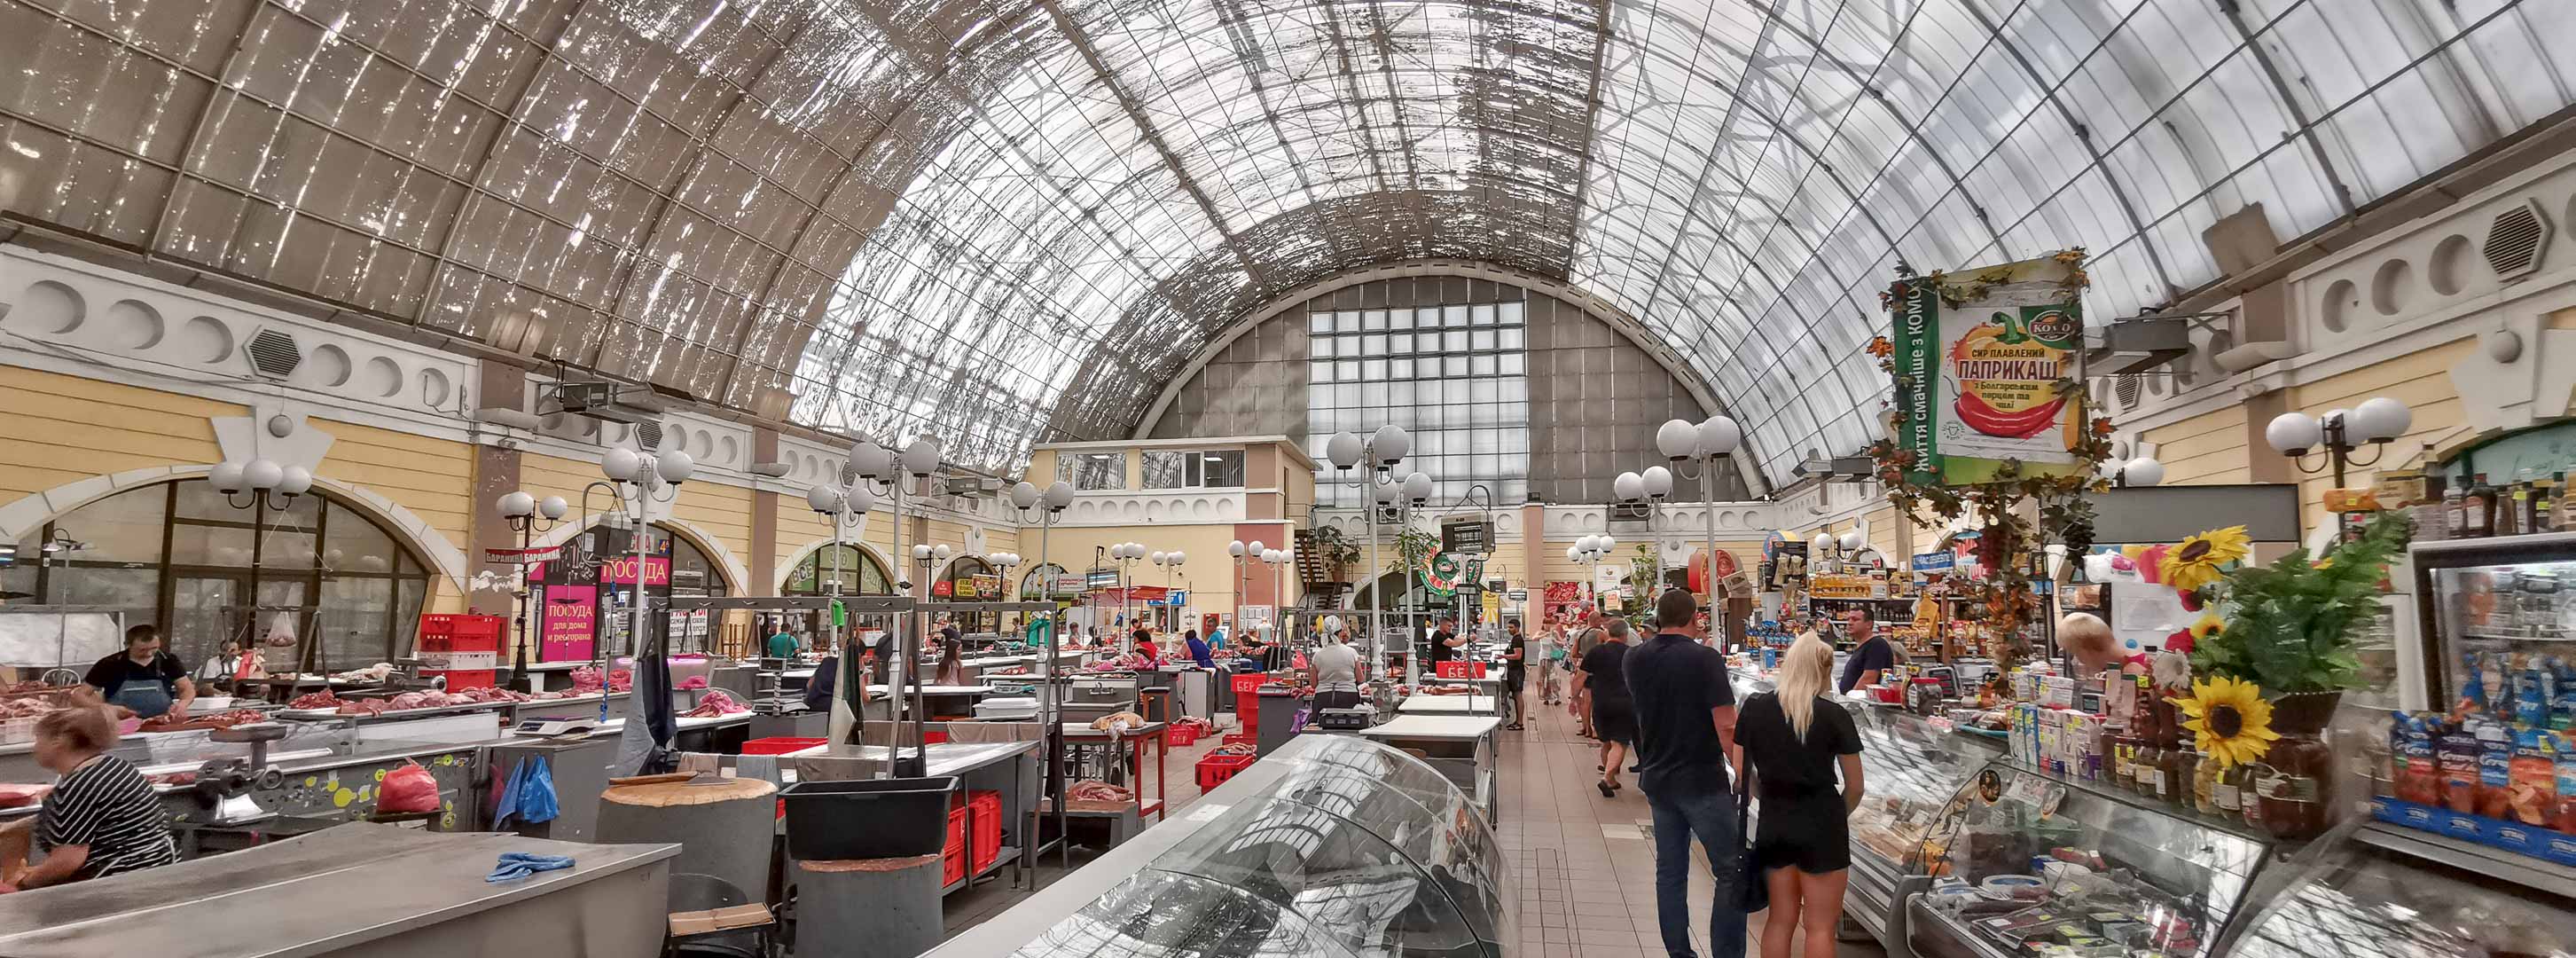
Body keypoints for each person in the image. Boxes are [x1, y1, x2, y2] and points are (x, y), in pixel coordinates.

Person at [1626, 589, 1748, 958]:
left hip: (1658, 777)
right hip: (1701, 779)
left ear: (1658, 619)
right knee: (1730, 869)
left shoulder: (1634, 658)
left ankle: (1679, 953)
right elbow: (1726, 726)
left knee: (1670, 872)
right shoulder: (1705, 659)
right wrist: (1743, 772)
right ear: (1695, 618)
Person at [1734, 634, 1865, 958]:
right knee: (1819, 927)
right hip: (1823, 826)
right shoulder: (1834, 715)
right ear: (1824, 671)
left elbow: (1741, 771)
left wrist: (1765, 796)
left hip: (1775, 822)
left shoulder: (1755, 708)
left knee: (1780, 920)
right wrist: (1836, 816)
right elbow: (1856, 786)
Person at [3, 706, 178, 890]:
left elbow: (67, 862)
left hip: (117, 884)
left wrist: (23, 884)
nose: (35, 748)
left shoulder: (77, 787)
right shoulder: (115, 766)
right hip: (157, 869)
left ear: (58, 740)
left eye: (39, 739)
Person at [1573, 618, 1637, 797]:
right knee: (1619, 743)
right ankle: (1607, 778)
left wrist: (1574, 698)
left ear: (1608, 633)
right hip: (1624, 703)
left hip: (1600, 703)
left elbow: (1580, 676)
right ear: (1625, 635)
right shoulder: (1631, 653)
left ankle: (1612, 778)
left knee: (1606, 742)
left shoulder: (1596, 651)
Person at [81, 625, 192, 719]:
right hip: (119, 725)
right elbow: (79, 695)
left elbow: (186, 689)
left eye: (154, 648)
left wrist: (183, 704)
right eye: (142, 650)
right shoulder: (110, 663)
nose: (149, 654)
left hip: (162, 722)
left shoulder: (168, 661)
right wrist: (105, 709)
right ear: (127, 645)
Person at [2057, 612, 2146, 677]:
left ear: (2088, 650)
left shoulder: (2136, 670)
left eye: (2077, 654)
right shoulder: (2111, 668)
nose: (2077, 660)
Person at [1834, 607, 1894, 695]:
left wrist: (1850, 700)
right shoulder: (1862, 646)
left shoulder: (1876, 645)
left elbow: (1869, 679)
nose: (1850, 623)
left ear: (1869, 624)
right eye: (1848, 619)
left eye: (1855, 619)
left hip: (1860, 702)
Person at [1307, 631, 1362, 710]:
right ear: (1339, 634)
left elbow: (1313, 684)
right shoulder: (1352, 652)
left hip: (1323, 697)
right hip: (1348, 696)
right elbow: (1360, 679)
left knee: (1319, 717)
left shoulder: (1317, 655)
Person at [192, 638, 262, 693]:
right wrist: (222, 694)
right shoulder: (211, 663)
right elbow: (207, 687)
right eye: (224, 650)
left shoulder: (241, 662)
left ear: (239, 651)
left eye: (232, 650)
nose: (227, 653)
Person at [1500, 619, 1529, 730]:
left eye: (1511, 627)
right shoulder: (1515, 639)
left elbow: (1518, 656)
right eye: (1508, 627)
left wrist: (1503, 656)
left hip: (1517, 672)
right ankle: (1517, 721)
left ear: (1517, 627)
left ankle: (1520, 722)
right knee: (1516, 695)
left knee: (1518, 695)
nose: (1509, 629)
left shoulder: (1517, 640)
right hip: (1514, 670)